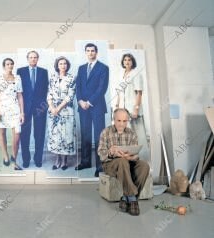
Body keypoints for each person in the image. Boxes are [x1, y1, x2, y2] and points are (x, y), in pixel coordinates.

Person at [98, 108, 150, 216]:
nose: (121, 124)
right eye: (119, 121)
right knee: (121, 161)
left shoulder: (131, 133)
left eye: (124, 121)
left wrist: (130, 157)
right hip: (110, 164)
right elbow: (101, 154)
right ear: (114, 119)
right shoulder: (105, 132)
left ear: (127, 121)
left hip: (128, 162)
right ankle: (132, 199)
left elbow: (136, 156)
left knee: (144, 166)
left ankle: (126, 198)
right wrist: (111, 153)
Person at [75, 43, 109, 177]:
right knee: (86, 134)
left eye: (92, 51)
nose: (90, 53)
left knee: (99, 137)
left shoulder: (103, 68)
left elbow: (102, 88)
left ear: (96, 52)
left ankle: (100, 166)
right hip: (82, 106)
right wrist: (80, 101)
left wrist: (89, 102)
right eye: (88, 51)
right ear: (85, 52)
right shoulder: (81, 68)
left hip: (97, 106)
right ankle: (85, 162)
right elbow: (78, 87)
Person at [17, 51, 49, 168]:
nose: (33, 59)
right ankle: (26, 159)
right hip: (25, 107)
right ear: (27, 59)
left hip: (40, 107)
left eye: (35, 57)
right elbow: (18, 90)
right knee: (25, 134)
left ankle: (38, 158)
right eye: (31, 57)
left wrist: (45, 105)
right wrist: (20, 109)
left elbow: (46, 89)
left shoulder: (43, 72)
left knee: (39, 134)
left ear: (38, 59)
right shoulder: (20, 71)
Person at [0, 58, 24, 170]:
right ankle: (5, 156)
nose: (10, 66)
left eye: (11, 64)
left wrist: (22, 113)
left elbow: (20, 96)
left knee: (17, 135)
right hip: (1, 109)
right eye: (7, 64)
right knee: (2, 132)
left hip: (15, 109)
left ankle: (14, 159)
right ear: (4, 66)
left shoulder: (18, 78)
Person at [47, 56, 76, 170]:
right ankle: (57, 160)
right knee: (55, 136)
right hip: (53, 112)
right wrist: (52, 107)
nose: (63, 65)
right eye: (60, 64)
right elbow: (49, 94)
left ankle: (64, 161)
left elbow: (70, 96)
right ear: (57, 66)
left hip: (66, 110)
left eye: (65, 63)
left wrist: (58, 108)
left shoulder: (72, 78)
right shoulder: (52, 78)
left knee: (66, 135)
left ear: (67, 65)